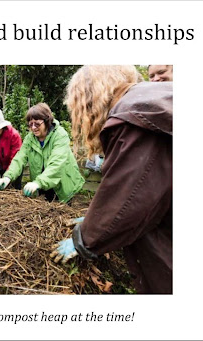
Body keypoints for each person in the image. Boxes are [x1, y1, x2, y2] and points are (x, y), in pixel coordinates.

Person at [51, 65, 172, 294]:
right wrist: (95, 215)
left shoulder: (133, 115)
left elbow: (130, 197)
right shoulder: (155, 97)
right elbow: (153, 185)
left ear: (90, 97)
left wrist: (84, 239)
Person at [0, 103, 85, 203]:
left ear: (47, 121)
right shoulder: (30, 138)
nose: (33, 128)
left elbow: (57, 163)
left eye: (37, 124)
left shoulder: (60, 135)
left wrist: (37, 183)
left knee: (61, 213)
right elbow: (20, 158)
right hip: (42, 184)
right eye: (30, 124)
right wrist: (8, 176)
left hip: (62, 183)